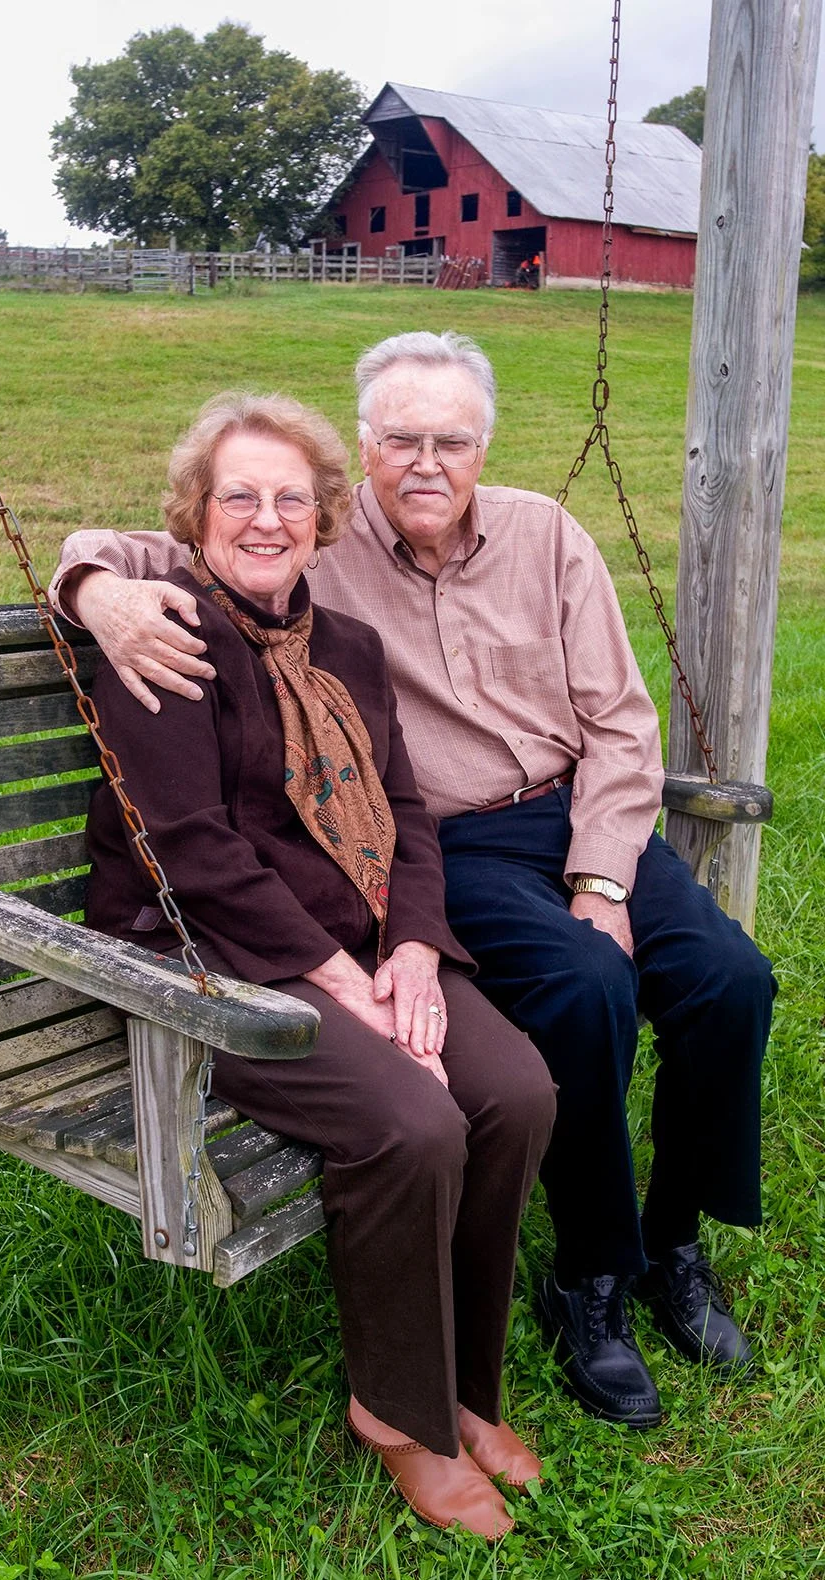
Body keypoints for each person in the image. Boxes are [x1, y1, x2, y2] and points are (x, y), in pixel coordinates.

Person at [50, 333, 776, 1431]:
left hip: (583, 816)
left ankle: (672, 1238)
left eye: (451, 440)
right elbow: (173, 529)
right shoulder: (314, 541)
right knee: (586, 991)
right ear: (368, 448)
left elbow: (623, 724)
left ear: (482, 448)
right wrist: (94, 588)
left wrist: (601, 875)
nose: (425, 463)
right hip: (452, 839)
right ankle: (590, 1273)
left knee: (731, 978)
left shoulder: (545, 536)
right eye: (401, 438)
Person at [83, 391, 557, 1541]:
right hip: (212, 957)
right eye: (238, 495)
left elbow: (407, 810)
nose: (265, 518)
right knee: (414, 1121)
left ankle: (460, 1383)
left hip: (356, 941)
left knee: (516, 1091)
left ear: (324, 518)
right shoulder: (165, 636)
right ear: (195, 513)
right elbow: (190, 848)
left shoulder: (345, 645)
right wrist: (343, 979)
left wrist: (408, 950)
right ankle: (395, 1413)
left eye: (290, 497)